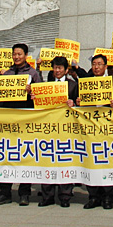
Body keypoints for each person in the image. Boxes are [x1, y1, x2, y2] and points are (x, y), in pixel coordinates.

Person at [0, 43, 42, 206]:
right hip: (8, 120)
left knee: (24, 157)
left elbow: (40, 96)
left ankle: (24, 193)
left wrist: (31, 91)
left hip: (25, 120)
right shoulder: (7, 73)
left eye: (19, 54)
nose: (17, 57)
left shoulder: (33, 73)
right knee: (6, 156)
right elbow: (0, 98)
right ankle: (4, 192)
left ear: (26, 55)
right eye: (14, 54)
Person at [78, 54, 113, 209]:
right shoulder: (84, 83)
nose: (96, 67)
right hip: (89, 130)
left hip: (108, 130)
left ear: (105, 67)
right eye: (94, 64)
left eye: (99, 64)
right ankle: (94, 196)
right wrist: (78, 103)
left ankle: (109, 197)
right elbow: (77, 102)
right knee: (91, 162)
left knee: (107, 163)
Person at [38, 56, 77, 208]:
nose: (57, 70)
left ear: (66, 70)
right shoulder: (47, 85)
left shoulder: (73, 85)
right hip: (49, 129)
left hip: (67, 130)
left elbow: (80, 104)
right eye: (55, 68)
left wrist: (73, 103)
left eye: (60, 68)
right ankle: (47, 195)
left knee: (66, 162)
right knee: (48, 161)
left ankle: (65, 196)